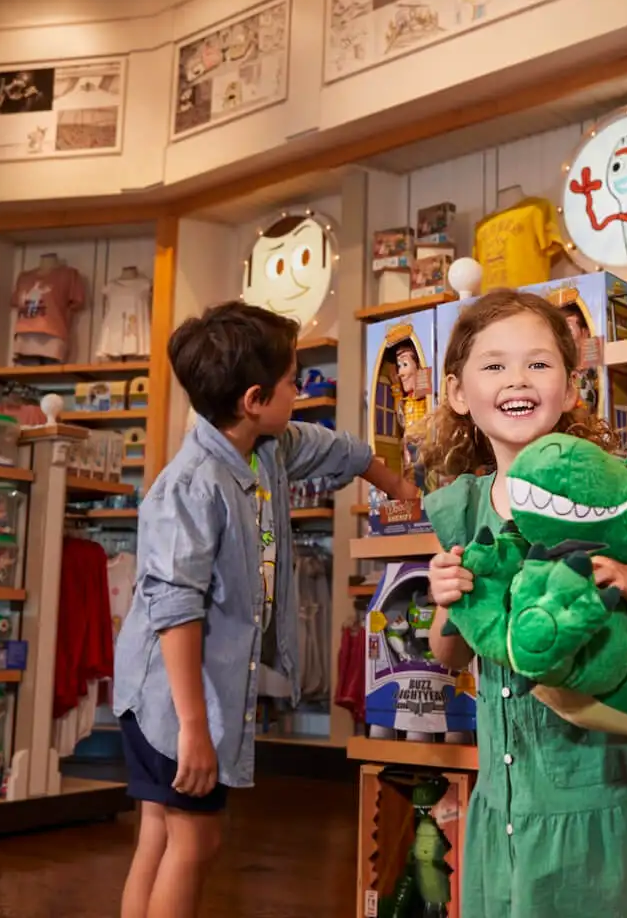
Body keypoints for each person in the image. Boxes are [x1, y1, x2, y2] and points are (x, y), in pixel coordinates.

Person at [419, 289, 627, 917]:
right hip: (510, 795)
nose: (518, 380)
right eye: (494, 366)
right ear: (457, 393)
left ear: (572, 384)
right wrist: (446, 601)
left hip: (609, 783)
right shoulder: (461, 511)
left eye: (539, 363)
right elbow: (448, 654)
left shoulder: (609, 486)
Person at [113, 302, 418, 918]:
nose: (299, 392)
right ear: (254, 398)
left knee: (160, 832)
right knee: (195, 841)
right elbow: (176, 614)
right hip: (170, 698)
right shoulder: (191, 485)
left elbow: (339, 450)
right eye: (292, 383)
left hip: (171, 694)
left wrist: (404, 490)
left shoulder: (266, 448)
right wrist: (196, 731)